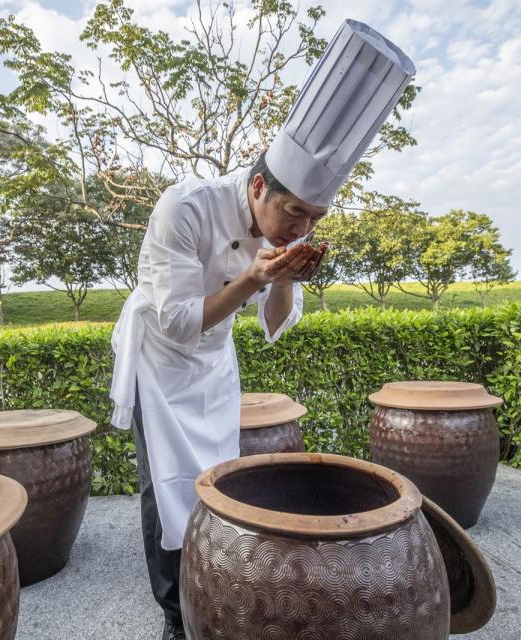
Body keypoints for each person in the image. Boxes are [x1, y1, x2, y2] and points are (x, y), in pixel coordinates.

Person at [108, 19, 415, 640]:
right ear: (257, 186)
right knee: (165, 492)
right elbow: (177, 319)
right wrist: (253, 275)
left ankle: (217, 586)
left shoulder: (284, 237)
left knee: (220, 482)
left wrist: (284, 278)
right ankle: (175, 615)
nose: (298, 227)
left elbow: (273, 328)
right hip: (158, 361)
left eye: (313, 218)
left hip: (213, 363)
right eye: (292, 212)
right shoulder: (185, 207)